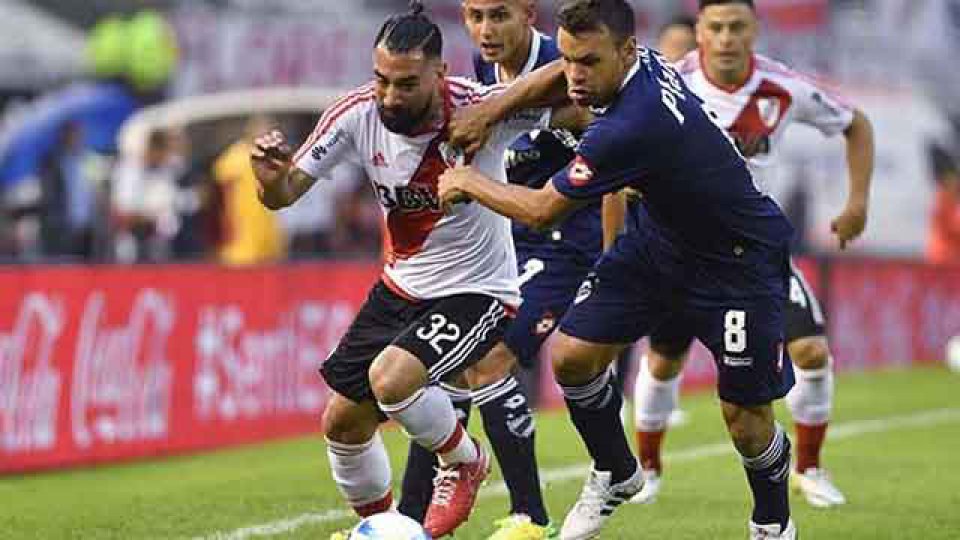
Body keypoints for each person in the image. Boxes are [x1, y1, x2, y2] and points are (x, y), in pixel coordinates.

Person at [439, 0, 809, 536]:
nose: (575, 76)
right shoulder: (642, 62)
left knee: (746, 423)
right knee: (571, 357)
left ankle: (772, 523)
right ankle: (615, 470)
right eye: (569, 59)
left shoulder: (633, 124)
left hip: (738, 263)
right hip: (658, 243)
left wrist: (467, 182)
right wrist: (491, 110)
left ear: (624, 52)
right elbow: (552, 76)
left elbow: (544, 211)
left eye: (588, 62)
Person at [250, 3, 581, 538]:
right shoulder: (354, 115)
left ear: (439, 73)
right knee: (342, 423)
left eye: (405, 84)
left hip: (479, 290)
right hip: (401, 286)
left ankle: (467, 461)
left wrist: (502, 109)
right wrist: (268, 179)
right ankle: (383, 529)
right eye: (381, 79)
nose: (389, 96)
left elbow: (571, 71)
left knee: (392, 378)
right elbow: (283, 194)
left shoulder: (478, 110)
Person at [630, 0, 875, 509]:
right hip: (680, 251)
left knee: (812, 352)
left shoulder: (780, 86)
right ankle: (647, 471)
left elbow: (856, 124)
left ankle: (809, 468)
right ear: (699, 29)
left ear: (755, 30)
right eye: (715, 27)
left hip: (755, 253)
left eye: (736, 27)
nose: (725, 38)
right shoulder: (668, 84)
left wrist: (856, 203)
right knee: (664, 360)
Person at [397, 2, 624, 537]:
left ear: (529, 13)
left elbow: (611, 158)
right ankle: (406, 519)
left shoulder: (565, 64)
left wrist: (614, 259)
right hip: (507, 241)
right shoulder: (483, 71)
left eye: (499, 15)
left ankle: (529, 516)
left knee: (490, 355)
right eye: (474, 15)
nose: (484, 30)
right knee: (440, 360)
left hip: (569, 240)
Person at [213, 115, 288, 266]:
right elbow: (222, 196)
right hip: (243, 227)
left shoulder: (274, 158)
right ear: (249, 130)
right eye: (261, 129)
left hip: (268, 225)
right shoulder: (234, 157)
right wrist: (226, 227)